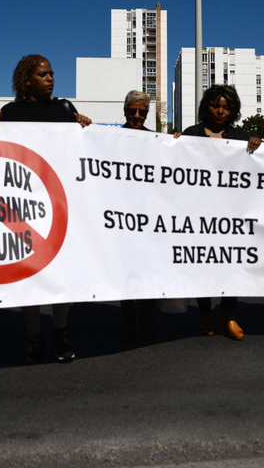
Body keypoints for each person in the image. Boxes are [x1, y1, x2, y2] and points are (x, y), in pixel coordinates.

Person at [0, 54, 91, 364]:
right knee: (29, 273)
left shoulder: (64, 109)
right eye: (43, 74)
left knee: (62, 272)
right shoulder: (10, 113)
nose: (51, 78)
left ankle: (60, 331)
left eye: (52, 74)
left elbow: (83, 149)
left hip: (60, 201)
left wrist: (83, 125)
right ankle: (34, 335)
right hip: (24, 204)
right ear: (27, 79)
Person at [175, 85, 261, 340]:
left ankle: (228, 313)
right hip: (199, 214)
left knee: (230, 265)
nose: (221, 111)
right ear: (206, 107)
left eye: (226, 106)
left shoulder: (241, 138)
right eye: (216, 105)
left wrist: (258, 147)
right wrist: (172, 145)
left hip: (232, 216)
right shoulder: (191, 134)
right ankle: (204, 313)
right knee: (203, 263)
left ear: (233, 110)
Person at [118, 90, 159, 347]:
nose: (136, 116)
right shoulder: (111, 137)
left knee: (149, 267)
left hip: (149, 214)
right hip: (121, 213)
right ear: (125, 111)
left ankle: (146, 314)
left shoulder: (155, 139)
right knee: (125, 270)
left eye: (142, 112)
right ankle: (128, 320)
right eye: (132, 111)